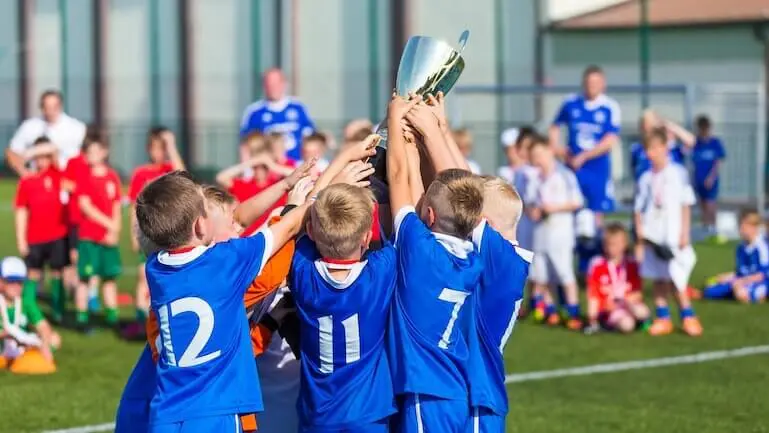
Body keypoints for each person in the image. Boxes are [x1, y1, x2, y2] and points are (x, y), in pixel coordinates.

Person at [135, 170, 312, 432]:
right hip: (217, 410)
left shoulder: (156, 269)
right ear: (201, 225)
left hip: (167, 412)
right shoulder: (226, 261)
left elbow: (238, 220)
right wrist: (301, 199)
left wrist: (285, 185)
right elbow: (288, 227)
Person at [386, 94, 484, 433]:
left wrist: (396, 121)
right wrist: (431, 134)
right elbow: (453, 193)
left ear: (427, 214)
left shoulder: (420, 251)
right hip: (457, 388)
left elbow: (398, 176)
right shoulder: (472, 256)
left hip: (424, 392)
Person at [290, 184, 396, 431]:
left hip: (318, 416)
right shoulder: (380, 271)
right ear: (366, 238)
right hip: (368, 414)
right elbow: (385, 238)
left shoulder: (302, 270)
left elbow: (297, 228)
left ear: (311, 232)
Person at [469, 176, 532, 432]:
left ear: (485, 224)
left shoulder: (502, 260)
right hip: (480, 392)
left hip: (478, 395)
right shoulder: (502, 258)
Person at [549, 65, 620, 273]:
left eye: (597, 83)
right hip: (572, 171)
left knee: (596, 217)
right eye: (589, 82)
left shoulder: (609, 107)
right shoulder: (571, 102)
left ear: (603, 84)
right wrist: (560, 151)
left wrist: (586, 155)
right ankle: (572, 264)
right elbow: (555, 127)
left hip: (597, 171)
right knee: (572, 215)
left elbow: (611, 139)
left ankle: (595, 266)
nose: (592, 86)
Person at [634, 127, 702, 337]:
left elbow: (686, 203)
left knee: (676, 278)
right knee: (658, 278)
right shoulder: (645, 177)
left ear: (665, 148)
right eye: (648, 149)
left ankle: (688, 316)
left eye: (655, 148)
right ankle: (663, 317)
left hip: (672, 233)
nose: (651, 153)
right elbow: (639, 207)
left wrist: (685, 232)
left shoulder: (677, 172)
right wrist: (640, 233)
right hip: (653, 234)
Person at [123, 127, 185, 339]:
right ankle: (142, 321)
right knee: (144, 277)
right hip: (147, 234)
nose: (157, 152)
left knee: (167, 279)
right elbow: (134, 205)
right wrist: (133, 234)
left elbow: (184, 176)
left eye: (161, 148)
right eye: (154, 148)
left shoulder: (170, 170)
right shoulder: (141, 173)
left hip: (168, 234)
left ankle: (164, 321)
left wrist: (172, 146)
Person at [527, 137, 584, 330]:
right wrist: (533, 211)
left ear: (550, 152)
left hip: (560, 232)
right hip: (540, 232)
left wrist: (555, 208)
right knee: (543, 275)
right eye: (534, 155)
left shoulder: (564, 175)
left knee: (564, 272)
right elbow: (529, 203)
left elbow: (577, 201)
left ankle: (573, 312)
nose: (537, 159)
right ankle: (551, 310)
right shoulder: (534, 178)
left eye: (540, 154)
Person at [13, 138, 69, 322]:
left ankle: (58, 311)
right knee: (33, 274)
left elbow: (54, 148)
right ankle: (27, 310)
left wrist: (31, 151)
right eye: (37, 157)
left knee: (57, 273)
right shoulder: (27, 181)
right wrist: (21, 240)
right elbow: (21, 212)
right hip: (34, 238)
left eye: (43, 156)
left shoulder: (56, 173)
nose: (41, 160)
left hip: (57, 236)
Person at [74, 134, 122, 331]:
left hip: (108, 239)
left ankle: (112, 318)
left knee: (109, 279)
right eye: (88, 152)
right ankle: (82, 319)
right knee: (85, 279)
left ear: (104, 152)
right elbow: (85, 206)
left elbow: (117, 204)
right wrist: (109, 224)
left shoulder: (112, 176)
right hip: (89, 237)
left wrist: (115, 230)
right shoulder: (84, 177)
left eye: (95, 151)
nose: (91, 155)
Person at [584, 223, 650, 334]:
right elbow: (593, 294)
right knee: (627, 325)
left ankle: (639, 321)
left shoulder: (631, 264)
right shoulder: (598, 265)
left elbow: (638, 293)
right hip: (609, 309)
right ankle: (610, 323)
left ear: (624, 244)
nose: (612, 248)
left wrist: (627, 301)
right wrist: (592, 318)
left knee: (642, 311)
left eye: (615, 244)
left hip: (629, 305)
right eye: (609, 245)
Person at [0, 256, 60, 374]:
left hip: (20, 345)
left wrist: (45, 346)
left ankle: (22, 358)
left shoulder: (26, 301)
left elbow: (43, 326)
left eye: (20, 282)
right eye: (11, 282)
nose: (16, 286)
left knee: (54, 339)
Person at [6, 90, 86, 177]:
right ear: (41, 107)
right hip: (37, 181)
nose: (50, 111)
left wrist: (30, 152)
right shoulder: (30, 126)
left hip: (64, 181)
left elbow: (55, 149)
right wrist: (24, 173)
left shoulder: (76, 127)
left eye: (54, 107)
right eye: (47, 107)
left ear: (61, 106)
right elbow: (12, 152)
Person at [240, 68, 316, 160]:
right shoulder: (254, 112)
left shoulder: (299, 107)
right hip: (269, 169)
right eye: (269, 84)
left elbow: (311, 139)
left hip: (296, 165)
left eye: (276, 83)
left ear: (284, 84)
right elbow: (246, 145)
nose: (273, 87)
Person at [701, 209, 767, 304]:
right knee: (709, 291)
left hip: (759, 282)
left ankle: (754, 295)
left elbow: (762, 275)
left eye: (744, 227)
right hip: (742, 281)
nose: (740, 230)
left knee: (742, 294)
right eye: (740, 226)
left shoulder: (761, 247)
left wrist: (741, 281)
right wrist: (727, 277)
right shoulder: (740, 247)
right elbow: (741, 272)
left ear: (754, 228)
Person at [629, 110, 694, 182]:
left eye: (651, 124)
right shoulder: (637, 149)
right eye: (645, 125)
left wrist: (668, 125)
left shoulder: (669, 147)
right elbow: (634, 170)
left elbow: (691, 141)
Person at [691, 115, 726, 235]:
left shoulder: (715, 143)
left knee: (711, 203)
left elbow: (719, 161)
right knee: (702, 203)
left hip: (711, 179)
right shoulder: (696, 143)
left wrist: (711, 177)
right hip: (698, 178)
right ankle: (705, 227)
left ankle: (713, 227)